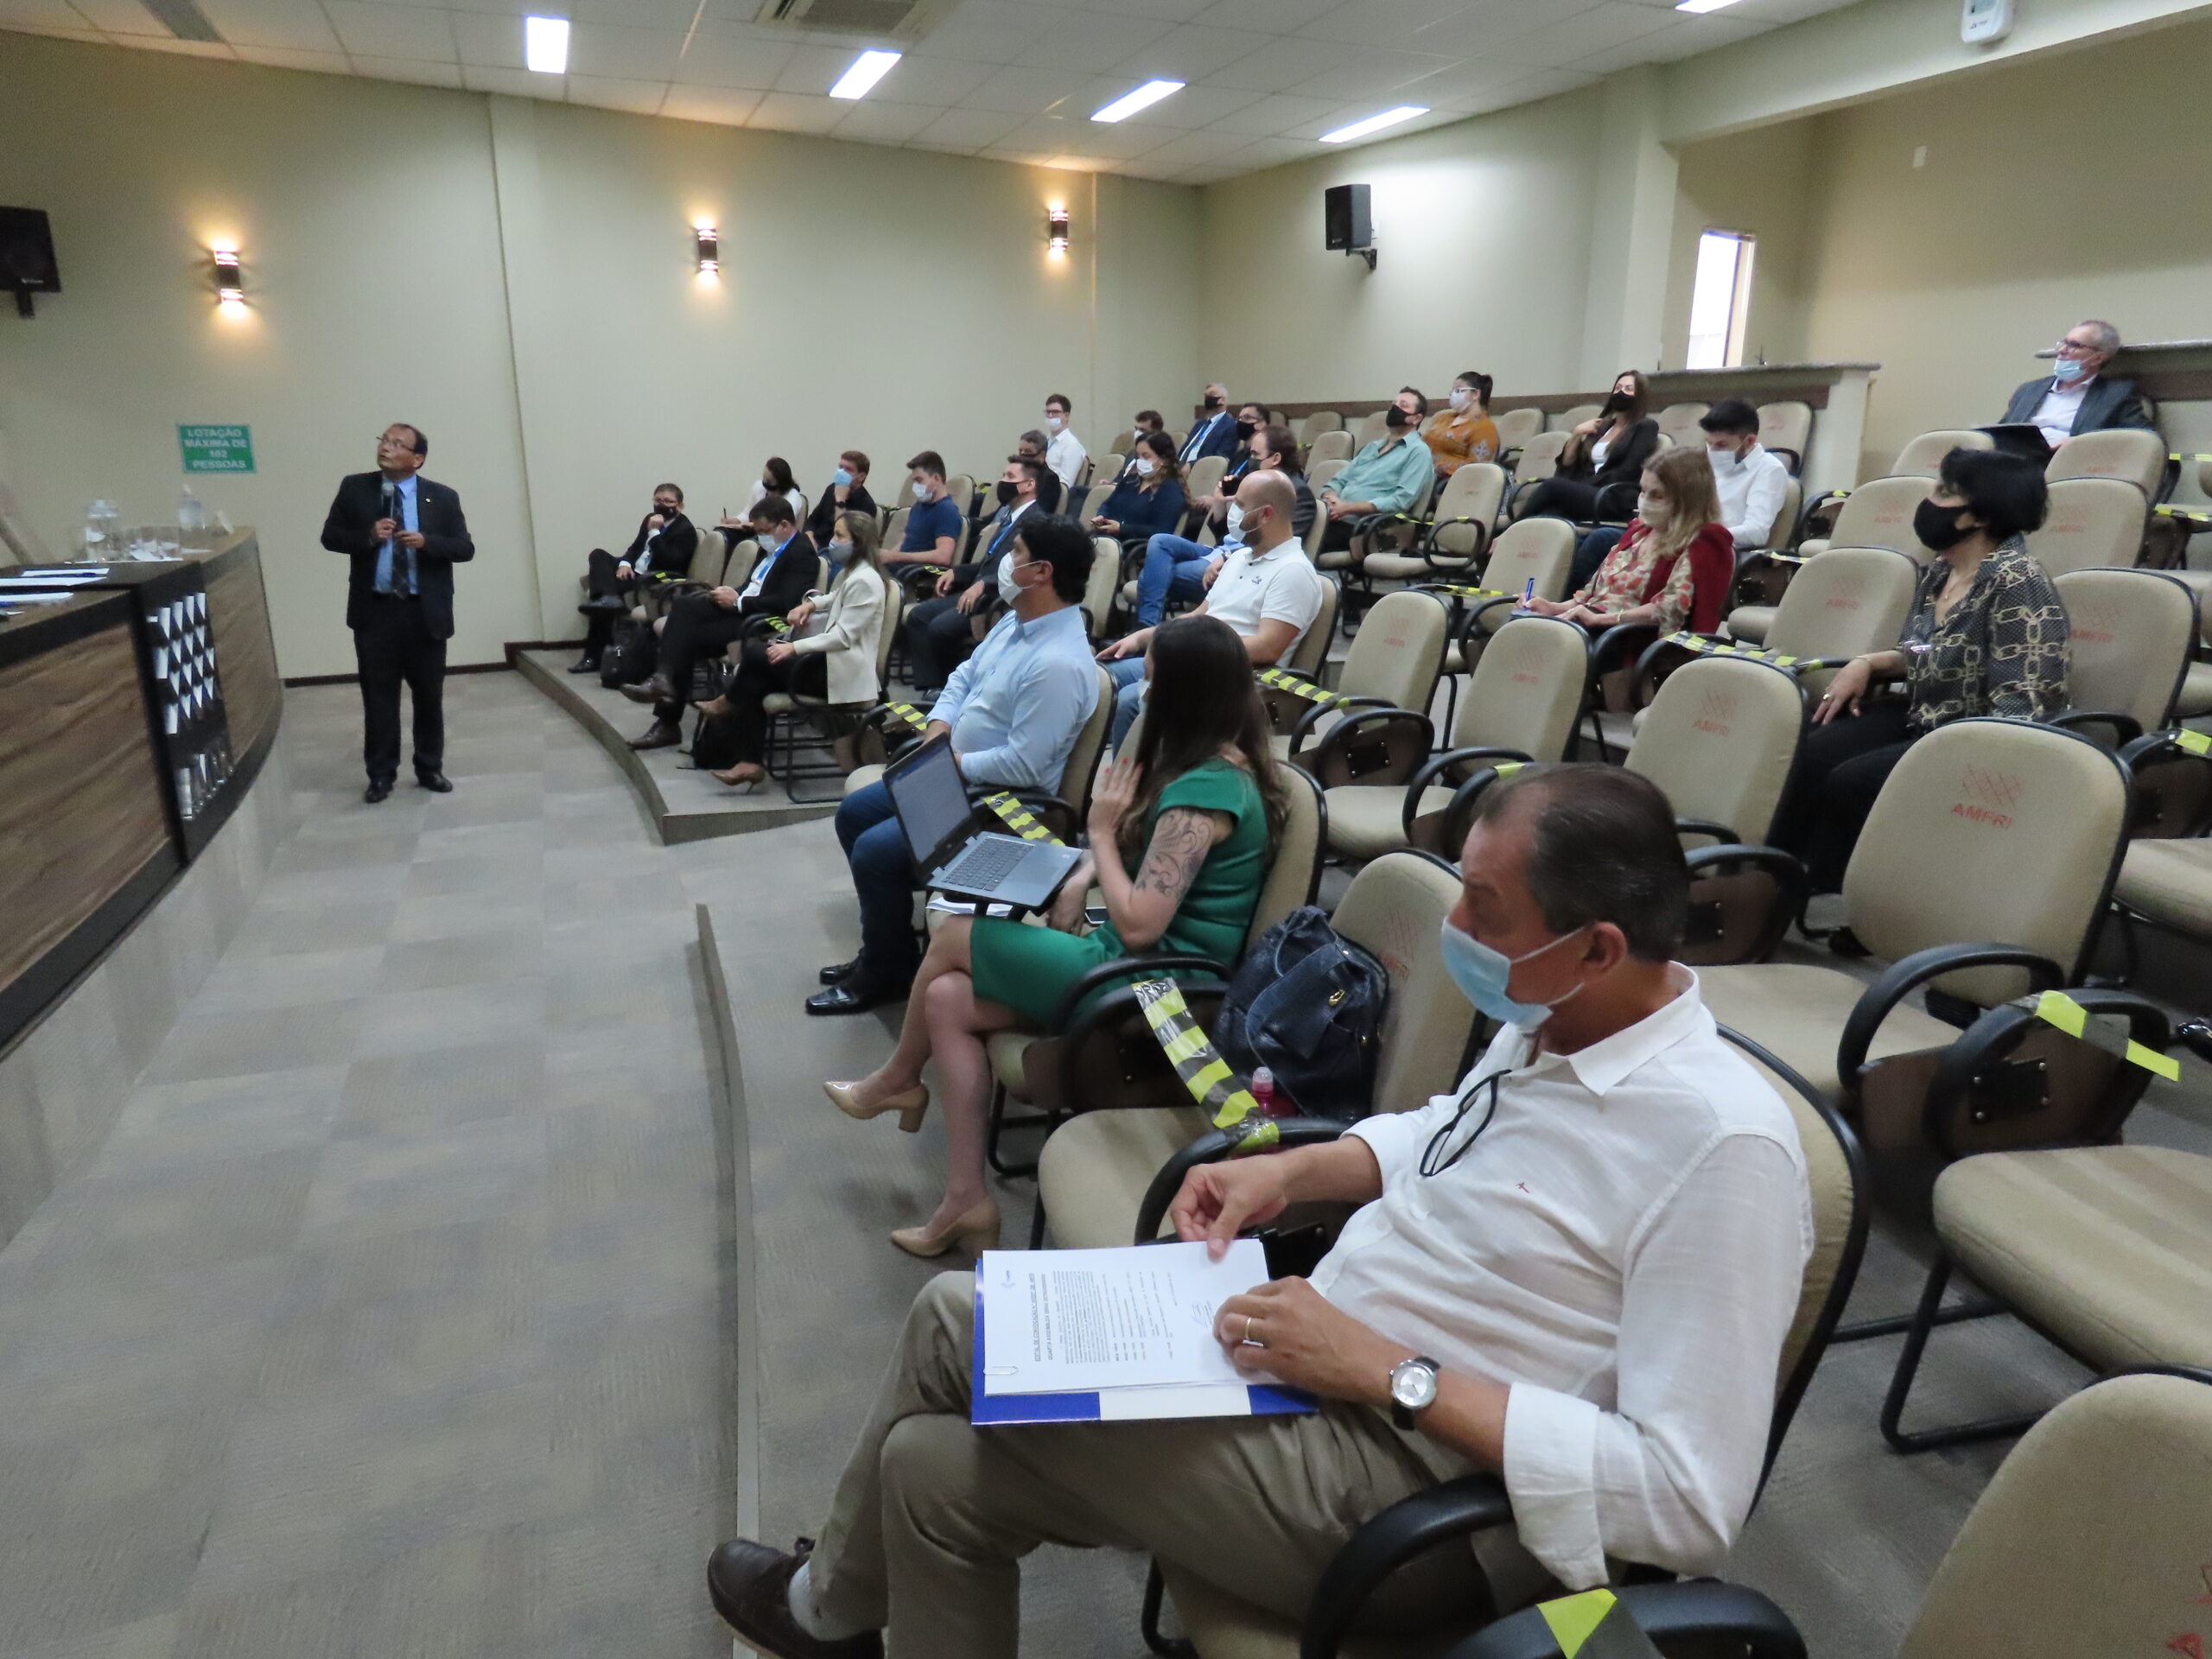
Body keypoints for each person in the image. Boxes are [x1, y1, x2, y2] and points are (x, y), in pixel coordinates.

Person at [707, 763, 1814, 1659]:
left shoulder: (1722, 1151)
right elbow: (1451, 1138)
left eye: (1485, 904)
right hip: (1312, 1382)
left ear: (1599, 948)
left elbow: (1684, 1500)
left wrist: (1390, 1371)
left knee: (958, 1318)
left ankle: (820, 1610)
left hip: (1428, 1510)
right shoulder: (1558, 1019)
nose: (1457, 927)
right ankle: (834, 1615)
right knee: (928, 1477)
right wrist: (1292, 1174)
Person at [821, 613, 1282, 1255]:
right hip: (1129, 960)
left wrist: (1096, 833)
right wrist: (1084, 868)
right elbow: (1134, 850)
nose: (1140, 694)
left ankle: (899, 1077)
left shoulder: (1206, 792)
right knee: (945, 1001)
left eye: (1151, 682)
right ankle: (966, 1202)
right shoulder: (1197, 761)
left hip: (1156, 989)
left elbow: (1142, 921)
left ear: (1182, 694)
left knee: (954, 934)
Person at [810, 517, 1099, 1016]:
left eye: (1018, 552)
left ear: (1041, 572)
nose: (1006, 562)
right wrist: (939, 726)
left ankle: (885, 970)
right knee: (855, 813)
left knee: (877, 852)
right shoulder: (1017, 620)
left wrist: (950, 759)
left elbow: (1025, 767)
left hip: (1001, 805)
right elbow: (965, 674)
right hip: (958, 775)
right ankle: (891, 951)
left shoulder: (1058, 663)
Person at [1771, 448, 2068, 894]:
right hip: (1923, 712)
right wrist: (1868, 662)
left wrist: (1949, 746)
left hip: (1973, 735)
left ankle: (1852, 895)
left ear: (1977, 516)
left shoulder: (2017, 581)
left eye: (1943, 492)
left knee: (1852, 780)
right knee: (1808, 751)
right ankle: (1770, 879)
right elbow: (1923, 649)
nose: (1928, 500)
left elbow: (2022, 701)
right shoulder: (1940, 572)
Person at [1102, 470, 1325, 745]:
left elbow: (1268, 647)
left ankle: (1144, 785)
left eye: (1240, 505)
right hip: (1195, 661)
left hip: (1234, 679)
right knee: (1102, 676)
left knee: (1129, 701)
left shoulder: (1293, 571)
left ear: (1266, 514)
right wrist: (1145, 636)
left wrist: (1184, 649)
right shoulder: (1239, 556)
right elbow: (1198, 616)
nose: (1232, 510)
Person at [321, 423, 475, 804]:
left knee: (428, 696)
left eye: (397, 444)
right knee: (378, 698)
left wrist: (428, 542)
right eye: (384, 441)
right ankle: (380, 774)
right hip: (376, 612)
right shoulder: (355, 488)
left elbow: (464, 548)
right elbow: (330, 537)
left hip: (425, 612)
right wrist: (368, 537)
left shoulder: (442, 497)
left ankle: (429, 768)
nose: (386, 448)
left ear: (417, 458)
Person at [699, 510, 889, 791]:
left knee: (753, 656)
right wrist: (811, 604)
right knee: (755, 679)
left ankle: (729, 703)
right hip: (828, 665)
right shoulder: (856, 574)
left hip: (842, 676)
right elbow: (836, 596)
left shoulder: (866, 581)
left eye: (839, 536)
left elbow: (843, 637)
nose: (833, 542)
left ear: (858, 541)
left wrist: (793, 648)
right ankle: (749, 761)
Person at [623, 494, 817, 751]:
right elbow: (753, 586)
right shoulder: (771, 547)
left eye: (763, 531)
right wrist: (731, 592)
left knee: (684, 640)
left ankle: (666, 720)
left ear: (783, 525)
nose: (759, 536)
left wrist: (737, 602)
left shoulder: (802, 554)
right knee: (684, 605)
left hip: (762, 623)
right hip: (743, 611)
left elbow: (785, 603)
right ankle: (663, 680)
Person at [1567, 397, 1790, 590]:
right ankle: (1573, 607)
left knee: (1601, 541)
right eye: (1709, 444)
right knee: (1581, 541)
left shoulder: (1769, 470)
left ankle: (1578, 614)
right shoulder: (1708, 460)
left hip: (1706, 547)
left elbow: (1756, 532)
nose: (1713, 451)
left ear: (1749, 441)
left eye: (1721, 445)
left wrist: (1694, 533)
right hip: (1673, 536)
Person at [1528, 448, 1734, 638]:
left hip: (1629, 636)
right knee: (1524, 626)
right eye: (1644, 491)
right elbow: (1593, 594)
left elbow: (1669, 609)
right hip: (1597, 624)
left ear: (1687, 501)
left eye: (1657, 495)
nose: (1645, 500)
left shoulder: (1704, 542)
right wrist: (1554, 608)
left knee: (1543, 641)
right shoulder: (1639, 532)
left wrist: (1601, 619)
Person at [1128, 423, 1311, 628]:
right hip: (1221, 551)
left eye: (1255, 454)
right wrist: (1220, 503)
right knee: (1159, 541)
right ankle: (1148, 628)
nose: (1249, 460)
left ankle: (1146, 628)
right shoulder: (1251, 482)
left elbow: (1277, 544)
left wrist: (1228, 558)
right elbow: (1227, 533)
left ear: (1276, 458)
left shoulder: (1296, 493)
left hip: (1239, 563)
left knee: (1151, 574)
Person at [903, 455, 1045, 691]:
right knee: (918, 616)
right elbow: (987, 564)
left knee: (940, 627)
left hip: (998, 598)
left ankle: (955, 688)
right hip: (977, 590)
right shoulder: (1010, 517)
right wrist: (956, 573)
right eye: (1003, 475)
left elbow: (1023, 570)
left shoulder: (1036, 521)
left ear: (1029, 485)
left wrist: (984, 585)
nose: (1002, 482)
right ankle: (932, 687)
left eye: (1010, 477)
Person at [571, 481, 696, 675]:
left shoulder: (686, 530)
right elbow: (636, 547)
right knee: (598, 555)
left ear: (680, 505)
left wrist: (655, 532)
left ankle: (592, 657)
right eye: (658, 500)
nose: (662, 505)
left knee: (600, 605)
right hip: (633, 571)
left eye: (668, 501)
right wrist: (625, 564)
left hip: (653, 578)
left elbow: (669, 560)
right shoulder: (649, 518)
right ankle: (607, 598)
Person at [1519, 371, 1660, 525]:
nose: (1621, 392)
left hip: (1613, 497)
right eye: (1618, 387)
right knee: (1548, 515)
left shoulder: (1646, 426)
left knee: (1552, 486)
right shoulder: (1602, 427)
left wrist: (1583, 486)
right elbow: (1568, 465)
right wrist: (1577, 434)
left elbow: (1628, 470)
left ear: (1639, 396)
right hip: (1588, 494)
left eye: (1628, 388)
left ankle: (1507, 533)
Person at [1999, 319, 2154, 451]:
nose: (2062, 351)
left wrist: (2078, 444)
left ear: (2098, 358)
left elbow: (2145, 440)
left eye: (2074, 345)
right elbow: (2001, 432)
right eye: (2063, 343)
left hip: (2069, 464)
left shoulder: (2116, 394)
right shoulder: (2029, 390)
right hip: (2015, 460)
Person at [1314, 387, 1433, 558]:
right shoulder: (1372, 448)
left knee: (1299, 535)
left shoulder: (1418, 452)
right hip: (1335, 518)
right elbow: (1338, 481)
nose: (1395, 408)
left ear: (1417, 418)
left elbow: (1401, 501)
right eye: (1394, 403)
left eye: (1403, 405)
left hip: (1370, 527)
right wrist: (1332, 499)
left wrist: (1347, 508)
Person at [1088, 431, 1187, 551]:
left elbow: (1162, 531)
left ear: (1164, 459)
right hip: (1107, 539)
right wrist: (1101, 516)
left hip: (1134, 548)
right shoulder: (1130, 480)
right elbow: (1107, 504)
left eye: (1146, 456)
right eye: (1138, 456)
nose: (1140, 461)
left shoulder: (1171, 489)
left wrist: (1122, 529)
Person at [882, 452, 964, 574]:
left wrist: (896, 557)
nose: (915, 486)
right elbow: (905, 542)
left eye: (919, 480)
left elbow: (943, 556)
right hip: (900, 567)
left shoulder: (947, 510)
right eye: (914, 481)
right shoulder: (918, 507)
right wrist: (887, 556)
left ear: (936, 479)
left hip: (916, 574)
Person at [1423, 371, 1502, 477]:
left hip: (1447, 482)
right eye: (1452, 392)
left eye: (1458, 390)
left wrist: (1438, 468)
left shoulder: (1485, 428)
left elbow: (1476, 468)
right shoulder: (1443, 417)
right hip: (1421, 472)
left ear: (1476, 394)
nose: (1453, 395)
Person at [804, 451, 876, 550]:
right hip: (814, 545)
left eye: (848, 469)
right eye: (840, 467)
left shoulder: (867, 505)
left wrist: (840, 500)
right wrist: (809, 536)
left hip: (835, 552)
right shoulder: (831, 489)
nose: (842, 472)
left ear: (861, 477)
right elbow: (813, 520)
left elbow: (843, 536)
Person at [1178, 383, 1241, 466]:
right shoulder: (1199, 424)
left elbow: (1220, 457)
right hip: (1180, 467)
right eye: (1206, 395)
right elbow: (1187, 447)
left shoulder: (1231, 426)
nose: (1207, 398)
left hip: (1202, 470)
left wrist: (1191, 465)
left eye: (1211, 394)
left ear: (1222, 400)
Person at [1042, 393, 1086, 493]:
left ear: (1066, 416)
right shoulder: (1045, 441)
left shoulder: (1072, 446)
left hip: (1051, 495)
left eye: (1055, 412)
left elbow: (1065, 485)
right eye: (1048, 412)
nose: (1050, 416)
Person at [1014, 429, 1064, 513]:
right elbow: (1003, 507)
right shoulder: (1017, 475)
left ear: (1042, 456)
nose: (1022, 455)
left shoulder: (1050, 479)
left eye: (1028, 451)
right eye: (1020, 451)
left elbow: (1039, 513)